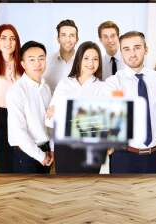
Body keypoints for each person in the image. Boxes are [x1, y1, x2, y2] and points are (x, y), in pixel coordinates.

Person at [105, 31, 156, 174]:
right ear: (121, 52)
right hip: (124, 156)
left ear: (146, 49)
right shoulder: (114, 82)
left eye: (137, 47)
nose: (132, 53)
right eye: (126, 49)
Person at [46, 41, 106, 173]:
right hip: (64, 146)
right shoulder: (65, 83)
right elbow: (50, 119)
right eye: (86, 58)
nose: (91, 63)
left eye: (95, 59)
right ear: (79, 59)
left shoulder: (103, 87)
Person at [6, 41, 54, 173]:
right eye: (31, 60)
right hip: (26, 154)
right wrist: (40, 156)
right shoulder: (16, 91)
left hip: (46, 150)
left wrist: (51, 149)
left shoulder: (46, 88)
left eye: (41, 58)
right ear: (23, 64)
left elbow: (50, 122)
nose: (37, 63)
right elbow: (18, 131)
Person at [0, 24, 24, 173]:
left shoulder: (23, 66)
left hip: (18, 114)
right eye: (4, 38)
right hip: (0, 114)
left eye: (12, 39)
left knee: (18, 156)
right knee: (2, 159)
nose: (8, 42)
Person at [44, 19, 79, 93]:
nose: (68, 40)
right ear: (58, 39)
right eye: (63, 35)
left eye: (72, 35)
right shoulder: (46, 61)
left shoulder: (84, 63)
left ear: (77, 39)